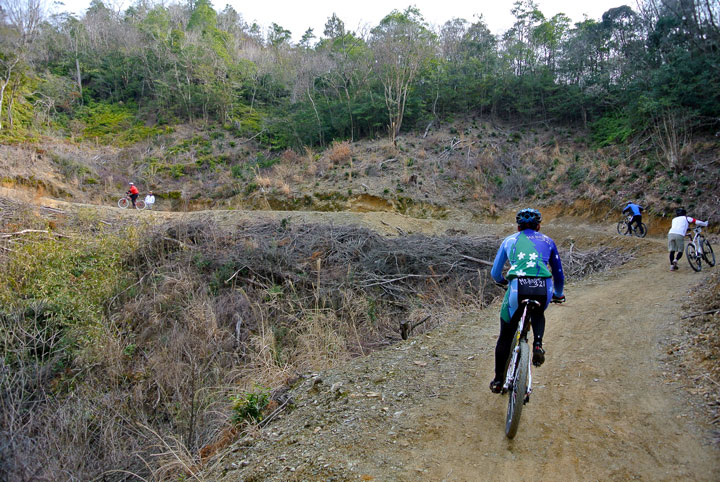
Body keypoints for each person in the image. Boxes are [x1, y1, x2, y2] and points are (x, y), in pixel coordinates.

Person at [489, 208, 565, 394]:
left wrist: (502, 281)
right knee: (538, 311)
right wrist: (559, 293)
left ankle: (499, 380)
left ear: (518, 227)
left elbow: (495, 273)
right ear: (538, 226)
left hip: (517, 288)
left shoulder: (509, 240)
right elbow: (559, 274)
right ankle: (538, 344)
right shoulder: (548, 241)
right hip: (543, 287)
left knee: (506, 335)